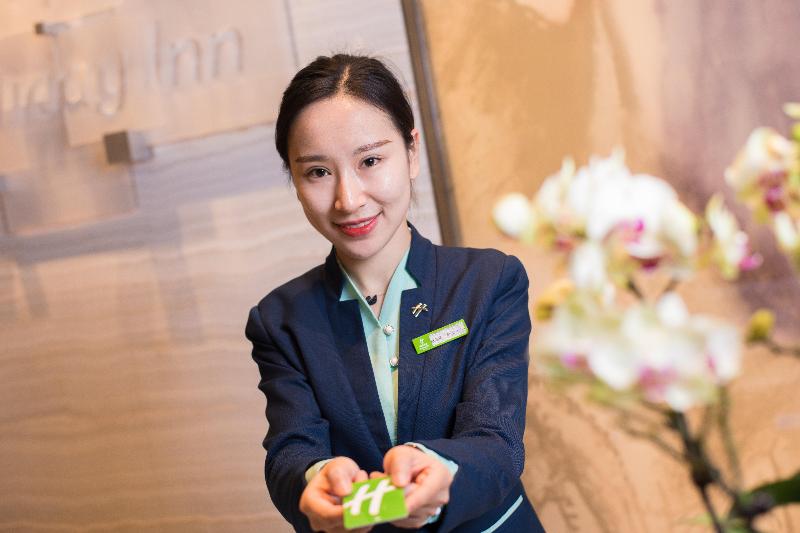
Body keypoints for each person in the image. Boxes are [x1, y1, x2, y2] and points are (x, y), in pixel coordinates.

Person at [245, 53, 546, 533]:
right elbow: (290, 449)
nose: (348, 199)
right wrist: (317, 477)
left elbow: (498, 440)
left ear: (412, 152)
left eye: (370, 161)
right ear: (294, 181)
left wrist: (435, 468)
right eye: (318, 172)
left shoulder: (489, 281)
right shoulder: (281, 320)